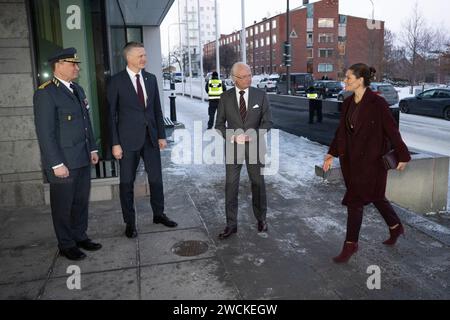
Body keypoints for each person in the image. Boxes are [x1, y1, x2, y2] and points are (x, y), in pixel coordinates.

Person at [322, 63, 411, 263]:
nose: (345, 81)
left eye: (348, 78)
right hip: (351, 161)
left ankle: (351, 245)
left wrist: (403, 155)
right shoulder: (347, 102)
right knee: (377, 197)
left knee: (355, 201)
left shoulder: (377, 103)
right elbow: (341, 132)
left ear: (360, 80)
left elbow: (392, 130)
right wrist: (331, 153)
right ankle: (396, 227)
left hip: (372, 163)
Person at [33, 47, 102, 261]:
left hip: (81, 157)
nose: (77, 67)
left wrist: (92, 148)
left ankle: (79, 236)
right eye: (72, 64)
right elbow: (45, 133)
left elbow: (85, 124)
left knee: (81, 201)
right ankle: (66, 244)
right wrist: (55, 164)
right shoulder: (46, 93)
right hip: (63, 163)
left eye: (77, 64)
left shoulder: (78, 90)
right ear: (58, 65)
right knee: (63, 206)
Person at [107, 42, 177, 239]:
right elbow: (111, 115)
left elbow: (156, 110)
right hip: (127, 141)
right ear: (128, 58)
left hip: (150, 139)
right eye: (140, 56)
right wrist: (115, 143)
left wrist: (161, 135)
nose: (144, 58)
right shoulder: (116, 81)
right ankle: (130, 222)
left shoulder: (151, 78)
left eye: (145, 55)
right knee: (127, 182)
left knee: (156, 179)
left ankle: (159, 214)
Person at [215, 62, 273, 239]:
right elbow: (219, 125)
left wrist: (252, 135)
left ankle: (261, 219)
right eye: (244, 76)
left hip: (255, 147)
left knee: (258, 184)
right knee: (231, 186)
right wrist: (233, 137)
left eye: (250, 75)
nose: (249, 78)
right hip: (233, 148)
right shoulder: (225, 98)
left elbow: (267, 122)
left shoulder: (260, 95)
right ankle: (231, 224)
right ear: (234, 79)